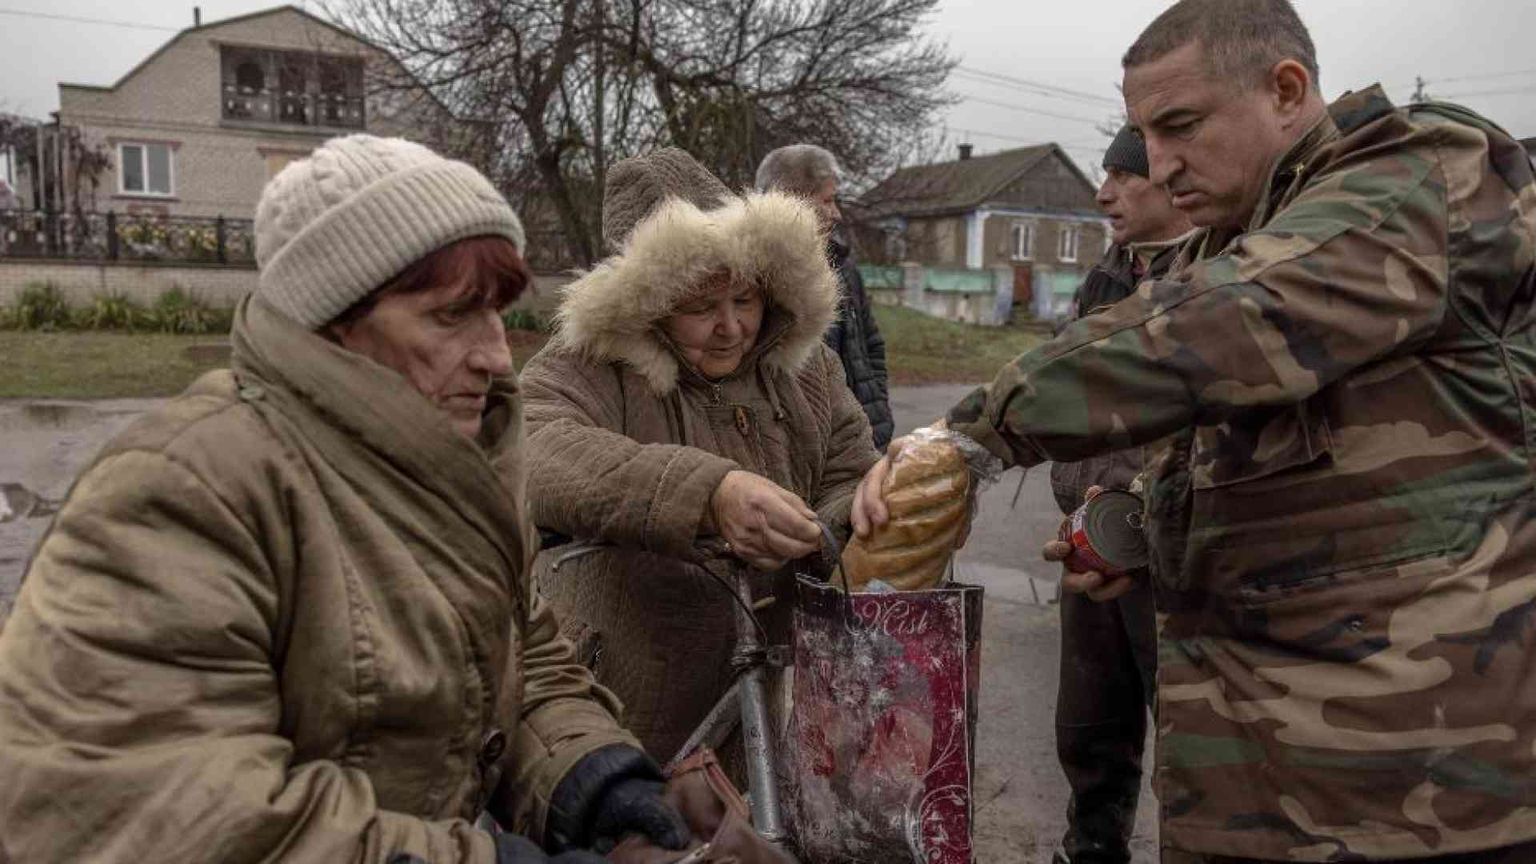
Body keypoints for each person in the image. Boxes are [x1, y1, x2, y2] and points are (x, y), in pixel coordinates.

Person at [854, 0, 1536, 861]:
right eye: (1145, 134)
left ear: (1286, 90)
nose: (1161, 164)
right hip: (1256, 788)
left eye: (1180, 126)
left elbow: (1224, 324)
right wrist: (1146, 527)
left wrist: (972, 433)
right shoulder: (1233, 238)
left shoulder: (1424, 177)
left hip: (1412, 798)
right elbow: (1307, 467)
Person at [0, 135, 690, 864]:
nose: (495, 354)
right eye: (451, 314)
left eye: (497, 312)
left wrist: (597, 784)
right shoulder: (182, 493)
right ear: (336, 325)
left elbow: (523, 658)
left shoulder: (455, 466)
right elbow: (159, 814)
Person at [521, 148, 879, 766]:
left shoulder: (807, 368)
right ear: (647, 302)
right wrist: (707, 494)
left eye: (745, 300)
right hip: (615, 704)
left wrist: (823, 530)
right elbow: (532, 446)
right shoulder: (588, 363)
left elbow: (849, 468)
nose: (731, 328)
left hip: (758, 696)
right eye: (698, 307)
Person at [1048, 125, 1193, 864]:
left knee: (1192, 752)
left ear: (1175, 181)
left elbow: (1194, 424)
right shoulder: (1106, 275)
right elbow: (1068, 404)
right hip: (1092, 543)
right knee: (1090, 733)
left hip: (1172, 563)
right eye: (1103, 174)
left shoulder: (1219, 277)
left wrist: (1133, 513)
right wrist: (1083, 500)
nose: (1104, 192)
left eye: (1123, 177)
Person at [756, 143, 893, 450]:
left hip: (865, 440)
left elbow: (872, 345)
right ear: (793, 203)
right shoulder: (756, 279)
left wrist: (878, 411)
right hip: (803, 453)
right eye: (828, 201)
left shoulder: (844, 269)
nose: (837, 213)